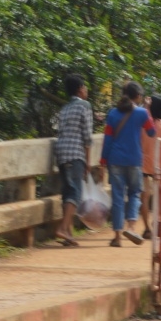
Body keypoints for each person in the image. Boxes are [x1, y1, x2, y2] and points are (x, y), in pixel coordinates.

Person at [101, 82, 155, 248]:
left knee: (117, 196)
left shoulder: (113, 113)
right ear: (138, 96)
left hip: (115, 159)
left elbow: (108, 138)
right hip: (134, 160)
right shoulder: (141, 113)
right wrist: (147, 109)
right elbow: (152, 131)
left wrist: (103, 160)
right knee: (134, 194)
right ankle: (131, 227)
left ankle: (117, 236)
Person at [52, 74, 94, 247]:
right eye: (84, 87)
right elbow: (87, 135)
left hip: (61, 152)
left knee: (67, 192)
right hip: (75, 153)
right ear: (80, 89)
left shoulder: (65, 108)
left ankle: (68, 233)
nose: (86, 90)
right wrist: (88, 161)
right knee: (75, 193)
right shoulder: (84, 106)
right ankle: (63, 228)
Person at [138, 96, 161, 242]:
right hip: (160, 164)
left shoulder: (142, 124)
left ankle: (146, 228)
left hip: (143, 163)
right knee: (160, 197)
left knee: (144, 197)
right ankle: (157, 222)